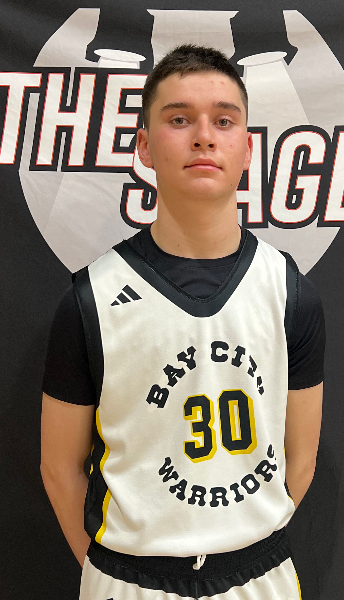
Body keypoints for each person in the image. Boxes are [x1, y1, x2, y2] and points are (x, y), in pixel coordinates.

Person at [41, 44, 325, 600]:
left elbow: (302, 458)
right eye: (178, 119)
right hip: (128, 579)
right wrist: (111, 572)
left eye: (224, 120)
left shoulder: (290, 292)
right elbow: (58, 468)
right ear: (144, 146)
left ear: (247, 147)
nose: (203, 136)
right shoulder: (90, 298)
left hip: (258, 575)